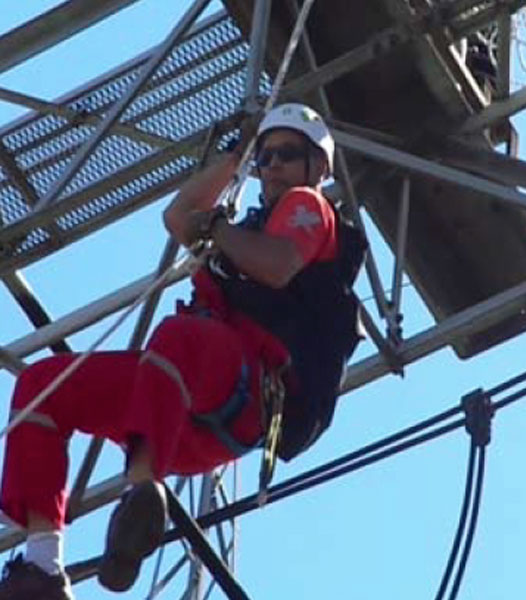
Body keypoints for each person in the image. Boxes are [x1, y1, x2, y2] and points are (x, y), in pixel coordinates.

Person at [0, 103, 366, 599]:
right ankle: (43, 564)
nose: (272, 165)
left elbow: (277, 266)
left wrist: (218, 229)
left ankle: (140, 493)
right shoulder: (245, 225)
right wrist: (237, 155)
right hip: (177, 410)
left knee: (180, 334)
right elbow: (177, 216)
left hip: (243, 386)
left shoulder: (308, 205)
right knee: (42, 385)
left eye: (285, 154)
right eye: (265, 157)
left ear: (317, 165)